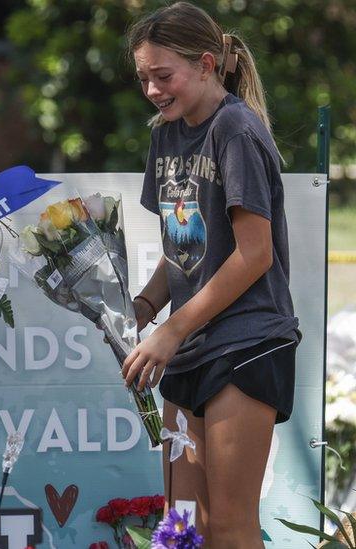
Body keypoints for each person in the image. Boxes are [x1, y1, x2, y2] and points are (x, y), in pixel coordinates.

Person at [121, 3, 300, 548]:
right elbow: (185, 246)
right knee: (185, 527)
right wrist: (146, 307)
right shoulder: (165, 136)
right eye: (143, 78)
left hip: (247, 343)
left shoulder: (235, 129)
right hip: (191, 347)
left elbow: (254, 255)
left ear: (204, 64)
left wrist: (170, 331)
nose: (152, 89)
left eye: (163, 75)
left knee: (227, 523)